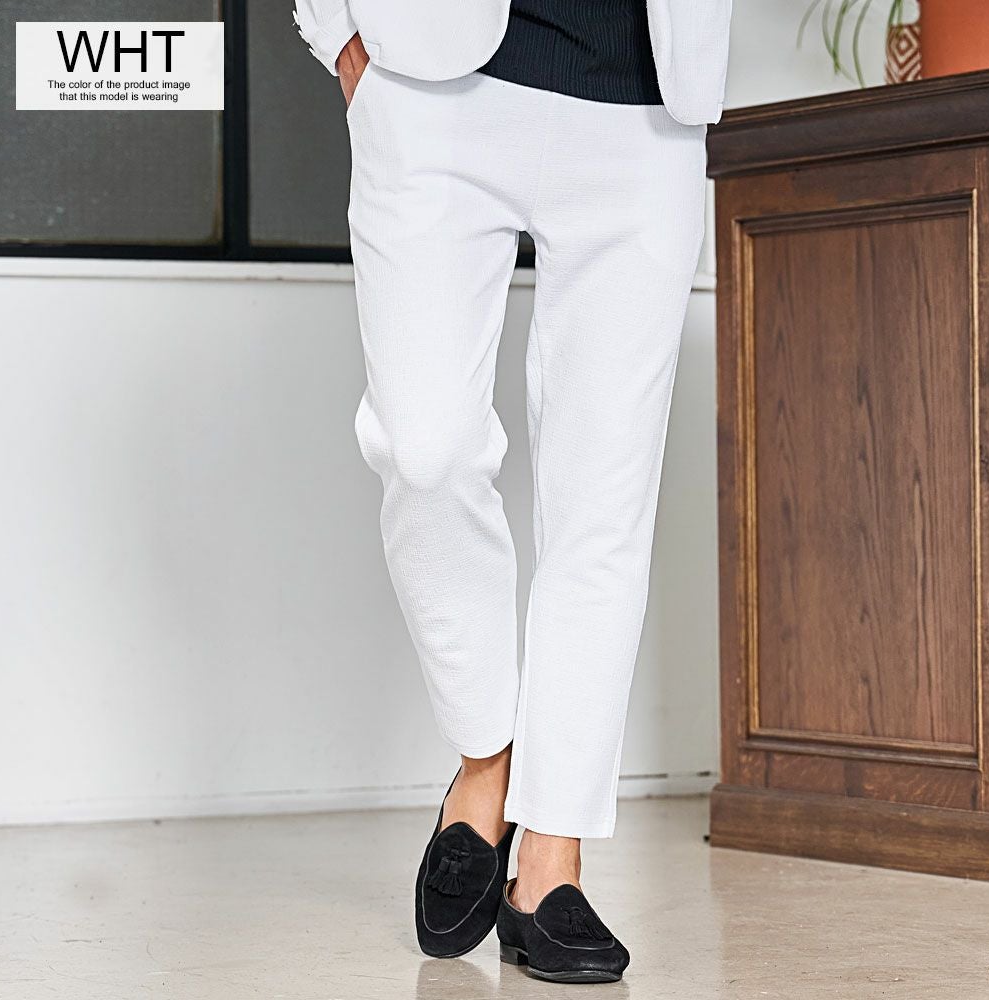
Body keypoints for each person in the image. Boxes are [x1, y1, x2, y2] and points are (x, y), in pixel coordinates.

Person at [294, 0, 732, 983]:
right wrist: (338, 36)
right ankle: (486, 759)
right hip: (436, 81)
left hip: (648, 106)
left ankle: (549, 861)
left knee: (603, 501)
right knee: (427, 450)